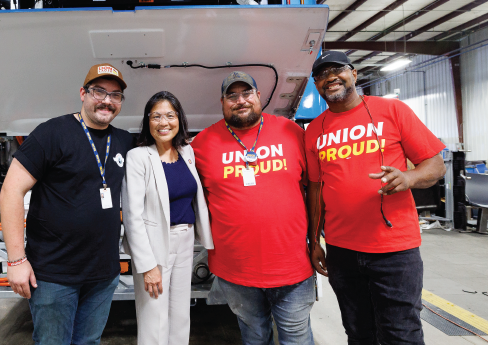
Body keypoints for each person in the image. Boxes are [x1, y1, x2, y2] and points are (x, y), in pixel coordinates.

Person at [305, 51, 447, 345]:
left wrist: (408, 178)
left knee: (401, 334)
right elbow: (317, 189)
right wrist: (314, 241)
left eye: (337, 70)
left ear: (354, 74)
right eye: (321, 74)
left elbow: (435, 166)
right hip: (341, 250)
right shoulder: (314, 131)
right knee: (358, 332)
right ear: (317, 85)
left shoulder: (392, 110)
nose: (330, 77)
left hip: (394, 250)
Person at [0, 63, 134, 345]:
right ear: (83, 93)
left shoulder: (123, 141)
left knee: (88, 342)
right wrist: (16, 260)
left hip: (103, 275)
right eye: (99, 92)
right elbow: (11, 191)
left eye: (115, 95)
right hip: (53, 276)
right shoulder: (52, 133)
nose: (107, 101)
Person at [191, 71, 315, 345]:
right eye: (231, 96)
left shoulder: (290, 131)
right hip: (236, 267)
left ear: (258, 96)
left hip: (291, 264)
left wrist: (317, 240)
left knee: (296, 337)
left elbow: (315, 188)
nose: (240, 100)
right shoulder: (202, 144)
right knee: (254, 336)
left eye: (246, 93)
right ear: (222, 102)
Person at [121, 91, 214, 345]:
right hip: (154, 245)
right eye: (156, 116)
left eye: (170, 116)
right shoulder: (139, 157)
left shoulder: (187, 153)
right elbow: (132, 216)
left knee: (181, 313)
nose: (164, 123)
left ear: (179, 120)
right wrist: (148, 266)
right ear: (147, 121)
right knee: (154, 317)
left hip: (185, 242)